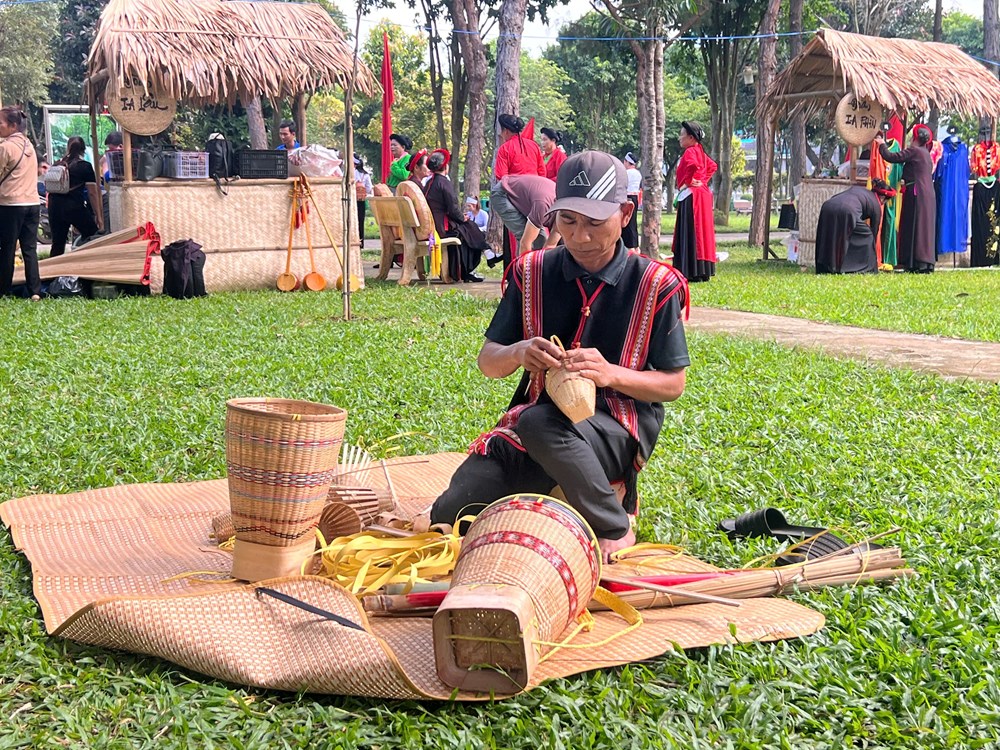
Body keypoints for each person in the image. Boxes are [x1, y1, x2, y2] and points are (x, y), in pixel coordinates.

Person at [430, 151, 690, 562]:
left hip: (614, 425)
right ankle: (555, 487)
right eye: (568, 221)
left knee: (541, 422)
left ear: (625, 214)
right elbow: (488, 361)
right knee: (449, 513)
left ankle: (614, 523)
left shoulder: (656, 283)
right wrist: (518, 352)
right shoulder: (530, 271)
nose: (580, 237)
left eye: (594, 223)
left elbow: (673, 384)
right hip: (533, 429)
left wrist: (610, 374)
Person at [876, 126, 936, 273]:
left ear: (915, 138)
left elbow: (892, 157)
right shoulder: (925, 153)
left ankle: (915, 261)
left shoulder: (915, 151)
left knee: (914, 225)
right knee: (924, 228)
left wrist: (881, 144)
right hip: (926, 194)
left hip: (917, 193)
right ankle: (922, 262)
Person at [422, 149, 487, 283]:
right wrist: (462, 218)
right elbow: (452, 208)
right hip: (441, 227)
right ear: (445, 166)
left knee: (469, 228)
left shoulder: (430, 182)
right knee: (472, 230)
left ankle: (467, 268)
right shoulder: (444, 182)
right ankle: (465, 270)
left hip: (434, 223)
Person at [0, 107, 42, 300]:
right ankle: (35, 291)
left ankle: (4, 290)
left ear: (13, 125)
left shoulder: (5, 147)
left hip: (11, 204)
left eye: (1, 123)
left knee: (7, 248)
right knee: (29, 249)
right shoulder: (29, 145)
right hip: (33, 203)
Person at [814, 179, 895, 274]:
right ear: (882, 198)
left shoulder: (861, 190)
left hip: (828, 206)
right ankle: (861, 267)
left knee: (831, 234)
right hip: (847, 210)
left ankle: (827, 266)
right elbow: (874, 232)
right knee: (868, 236)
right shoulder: (876, 205)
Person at [671, 121, 718, 283]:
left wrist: (690, 181)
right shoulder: (700, 151)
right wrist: (702, 180)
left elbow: (693, 166)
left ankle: (689, 270)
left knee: (692, 231)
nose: (679, 138)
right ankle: (703, 271)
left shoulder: (691, 151)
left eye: (682, 135)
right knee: (703, 233)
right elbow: (712, 166)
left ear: (691, 137)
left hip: (692, 196)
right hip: (703, 194)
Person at [47, 136, 103, 258]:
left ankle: (51, 275)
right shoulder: (85, 166)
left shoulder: (57, 164)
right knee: (93, 235)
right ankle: (90, 266)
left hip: (54, 206)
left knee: (57, 244)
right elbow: (92, 193)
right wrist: (99, 216)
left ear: (68, 148)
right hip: (74, 207)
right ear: (83, 150)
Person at [493, 174, 562, 255]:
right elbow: (525, 243)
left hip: (529, 198)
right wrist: (527, 266)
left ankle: (538, 267)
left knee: (541, 240)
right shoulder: (543, 207)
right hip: (504, 192)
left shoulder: (564, 215)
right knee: (527, 238)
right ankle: (520, 267)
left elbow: (550, 245)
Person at [622, 152, 642, 251]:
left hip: (627, 197)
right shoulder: (638, 173)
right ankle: (635, 245)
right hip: (635, 197)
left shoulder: (626, 173)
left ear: (626, 162)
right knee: (633, 222)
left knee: (626, 222)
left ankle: (629, 245)